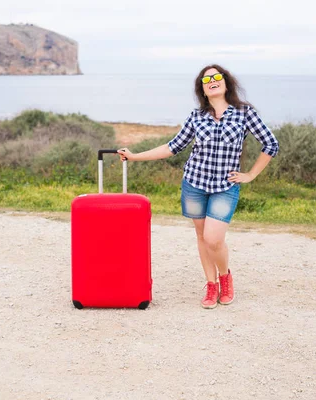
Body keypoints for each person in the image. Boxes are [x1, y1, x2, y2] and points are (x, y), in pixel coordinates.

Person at [117, 64, 279, 309]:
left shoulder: (245, 113)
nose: (212, 81)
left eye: (216, 77)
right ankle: (211, 284)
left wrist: (250, 175)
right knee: (202, 237)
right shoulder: (196, 117)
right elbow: (172, 147)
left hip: (225, 186)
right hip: (194, 183)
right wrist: (135, 156)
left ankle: (225, 277)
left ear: (226, 83)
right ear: (202, 89)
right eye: (206, 79)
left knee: (214, 239)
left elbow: (270, 145)